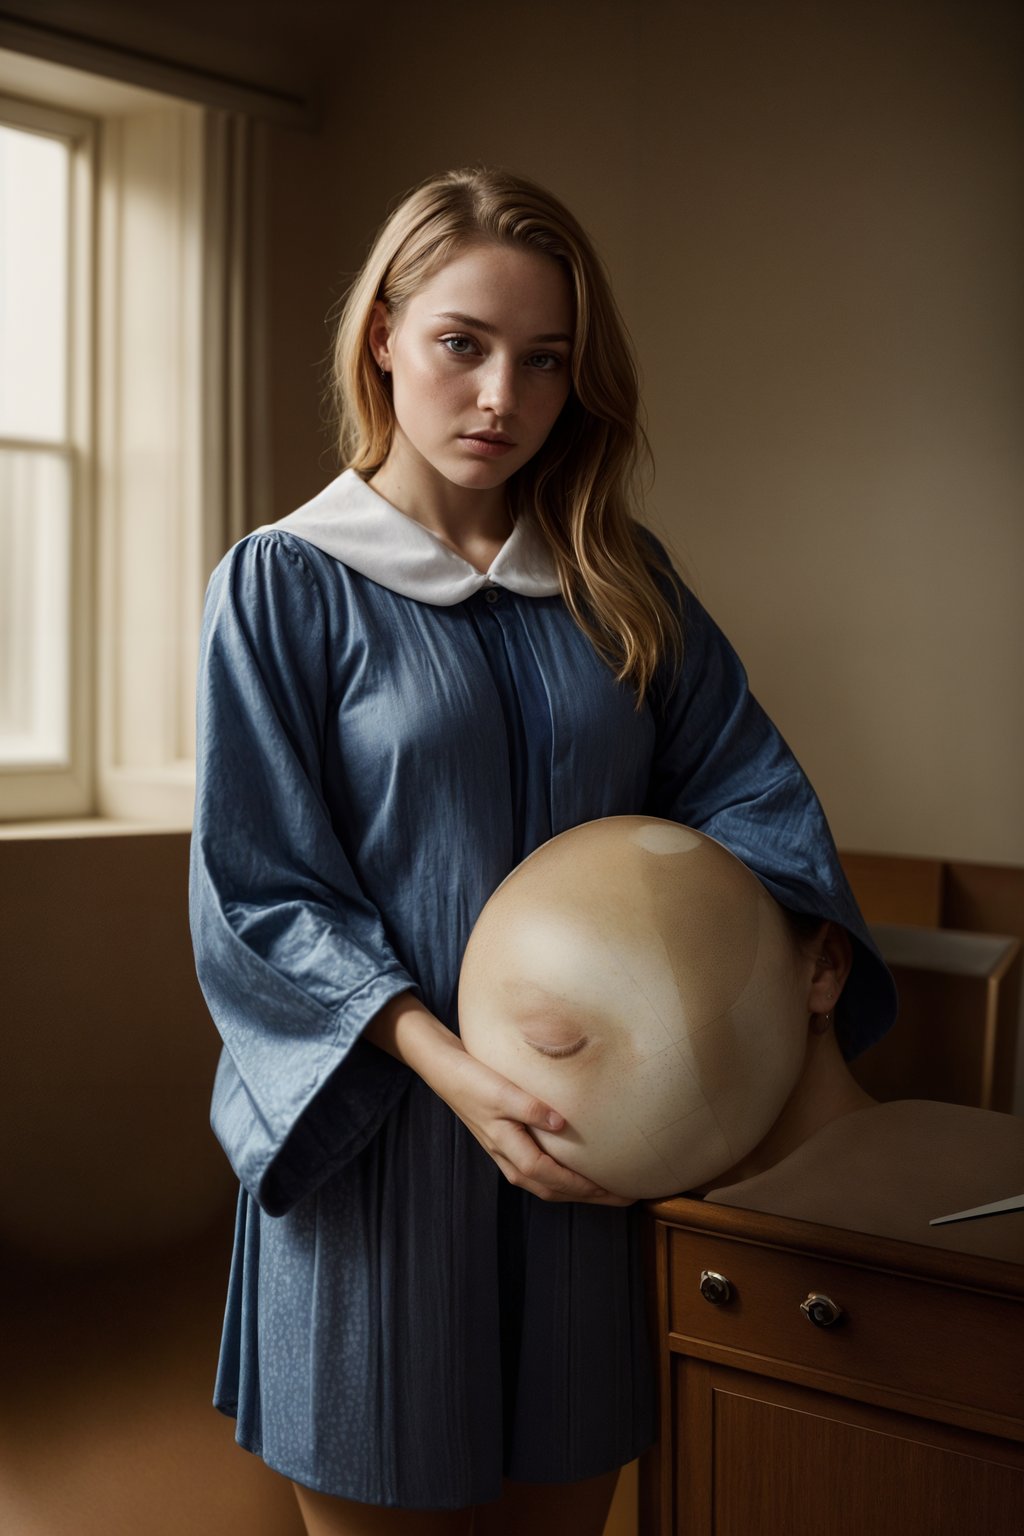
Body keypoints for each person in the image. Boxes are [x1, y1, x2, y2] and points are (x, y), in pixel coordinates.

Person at [189, 166, 896, 1536]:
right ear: (384, 335)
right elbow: (264, 894)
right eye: (462, 343)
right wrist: (459, 1077)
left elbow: (748, 789)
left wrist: (796, 932)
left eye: (545, 361)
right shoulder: (279, 586)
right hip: (383, 1164)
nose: (501, 397)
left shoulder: (622, 580)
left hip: (589, 1164)